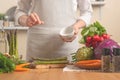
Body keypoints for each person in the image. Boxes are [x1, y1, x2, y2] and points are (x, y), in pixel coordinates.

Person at [14, 0, 93, 61]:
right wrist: (26, 20)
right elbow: (19, 11)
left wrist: (76, 26)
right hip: (37, 47)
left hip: (67, 47)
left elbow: (87, 12)